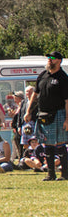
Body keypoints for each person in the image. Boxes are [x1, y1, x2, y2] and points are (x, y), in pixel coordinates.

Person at [24, 50, 68, 181]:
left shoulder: (63, 78)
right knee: (46, 145)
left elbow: (67, 101)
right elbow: (35, 95)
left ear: (59, 61)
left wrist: (67, 119)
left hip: (58, 113)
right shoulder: (43, 75)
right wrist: (28, 111)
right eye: (48, 58)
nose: (49, 59)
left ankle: (64, 174)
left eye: (52, 58)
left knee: (60, 144)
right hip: (43, 114)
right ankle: (50, 174)